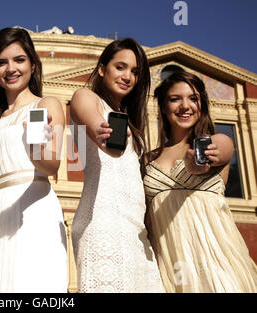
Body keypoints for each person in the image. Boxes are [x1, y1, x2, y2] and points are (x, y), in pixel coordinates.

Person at [0, 27, 68, 292]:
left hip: (33, 210)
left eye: (19, 60)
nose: (10, 68)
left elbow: (51, 164)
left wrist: (34, 148)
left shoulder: (47, 105)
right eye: (1, 62)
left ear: (33, 64)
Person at [143, 70, 257, 292]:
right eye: (175, 99)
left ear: (201, 105)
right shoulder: (147, 159)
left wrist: (197, 164)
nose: (185, 106)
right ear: (164, 107)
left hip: (217, 261)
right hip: (173, 266)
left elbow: (218, 152)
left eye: (193, 99)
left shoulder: (219, 140)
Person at [70, 38, 164, 292]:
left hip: (136, 232)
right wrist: (101, 132)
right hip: (102, 224)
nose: (128, 76)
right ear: (102, 69)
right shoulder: (85, 97)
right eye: (120, 67)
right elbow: (92, 118)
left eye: (134, 72)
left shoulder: (130, 122)